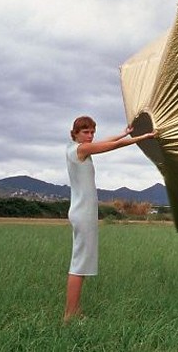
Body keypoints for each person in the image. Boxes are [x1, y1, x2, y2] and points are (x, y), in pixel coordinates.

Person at [64, 115, 155, 322]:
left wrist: (125, 132)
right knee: (78, 265)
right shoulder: (81, 150)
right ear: (75, 133)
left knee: (81, 263)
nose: (90, 136)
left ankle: (75, 310)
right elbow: (112, 146)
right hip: (83, 213)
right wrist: (142, 137)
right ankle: (70, 314)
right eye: (85, 132)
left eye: (92, 132)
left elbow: (107, 141)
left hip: (82, 212)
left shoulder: (74, 149)